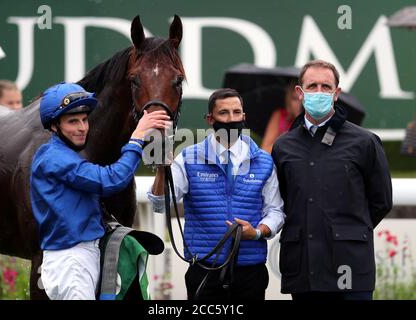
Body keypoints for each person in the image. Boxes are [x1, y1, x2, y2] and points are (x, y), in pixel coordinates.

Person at [30, 82, 170, 300]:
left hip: (77, 256)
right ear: (54, 126)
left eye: (85, 120)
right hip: (71, 261)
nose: (82, 127)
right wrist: (138, 136)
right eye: (73, 121)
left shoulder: (59, 154)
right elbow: (110, 180)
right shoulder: (55, 158)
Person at [271, 59, 393, 301]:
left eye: (326, 87)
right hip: (304, 271)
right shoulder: (284, 145)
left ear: (337, 93)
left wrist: (348, 231)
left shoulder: (364, 142)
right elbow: (283, 201)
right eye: (312, 86)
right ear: (300, 92)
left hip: (351, 269)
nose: (319, 92)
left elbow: (381, 201)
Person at [148, 88, 285, 300]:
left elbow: (275, 210)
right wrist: (161, 169)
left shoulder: (264, 162)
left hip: (251, 270)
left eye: (236, 112)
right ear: (210, 119)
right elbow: (159, 204)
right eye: (224, 113)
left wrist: (257, 232)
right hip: (204, 269)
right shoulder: (188, 157)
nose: (231, 119)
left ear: (243, 117)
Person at [261, 81, 302, 153]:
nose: (299, 103)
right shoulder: (280, 115)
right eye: (295, 98)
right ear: (289, 100)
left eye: (302, 98)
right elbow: (265, 149)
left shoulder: (315, 121)